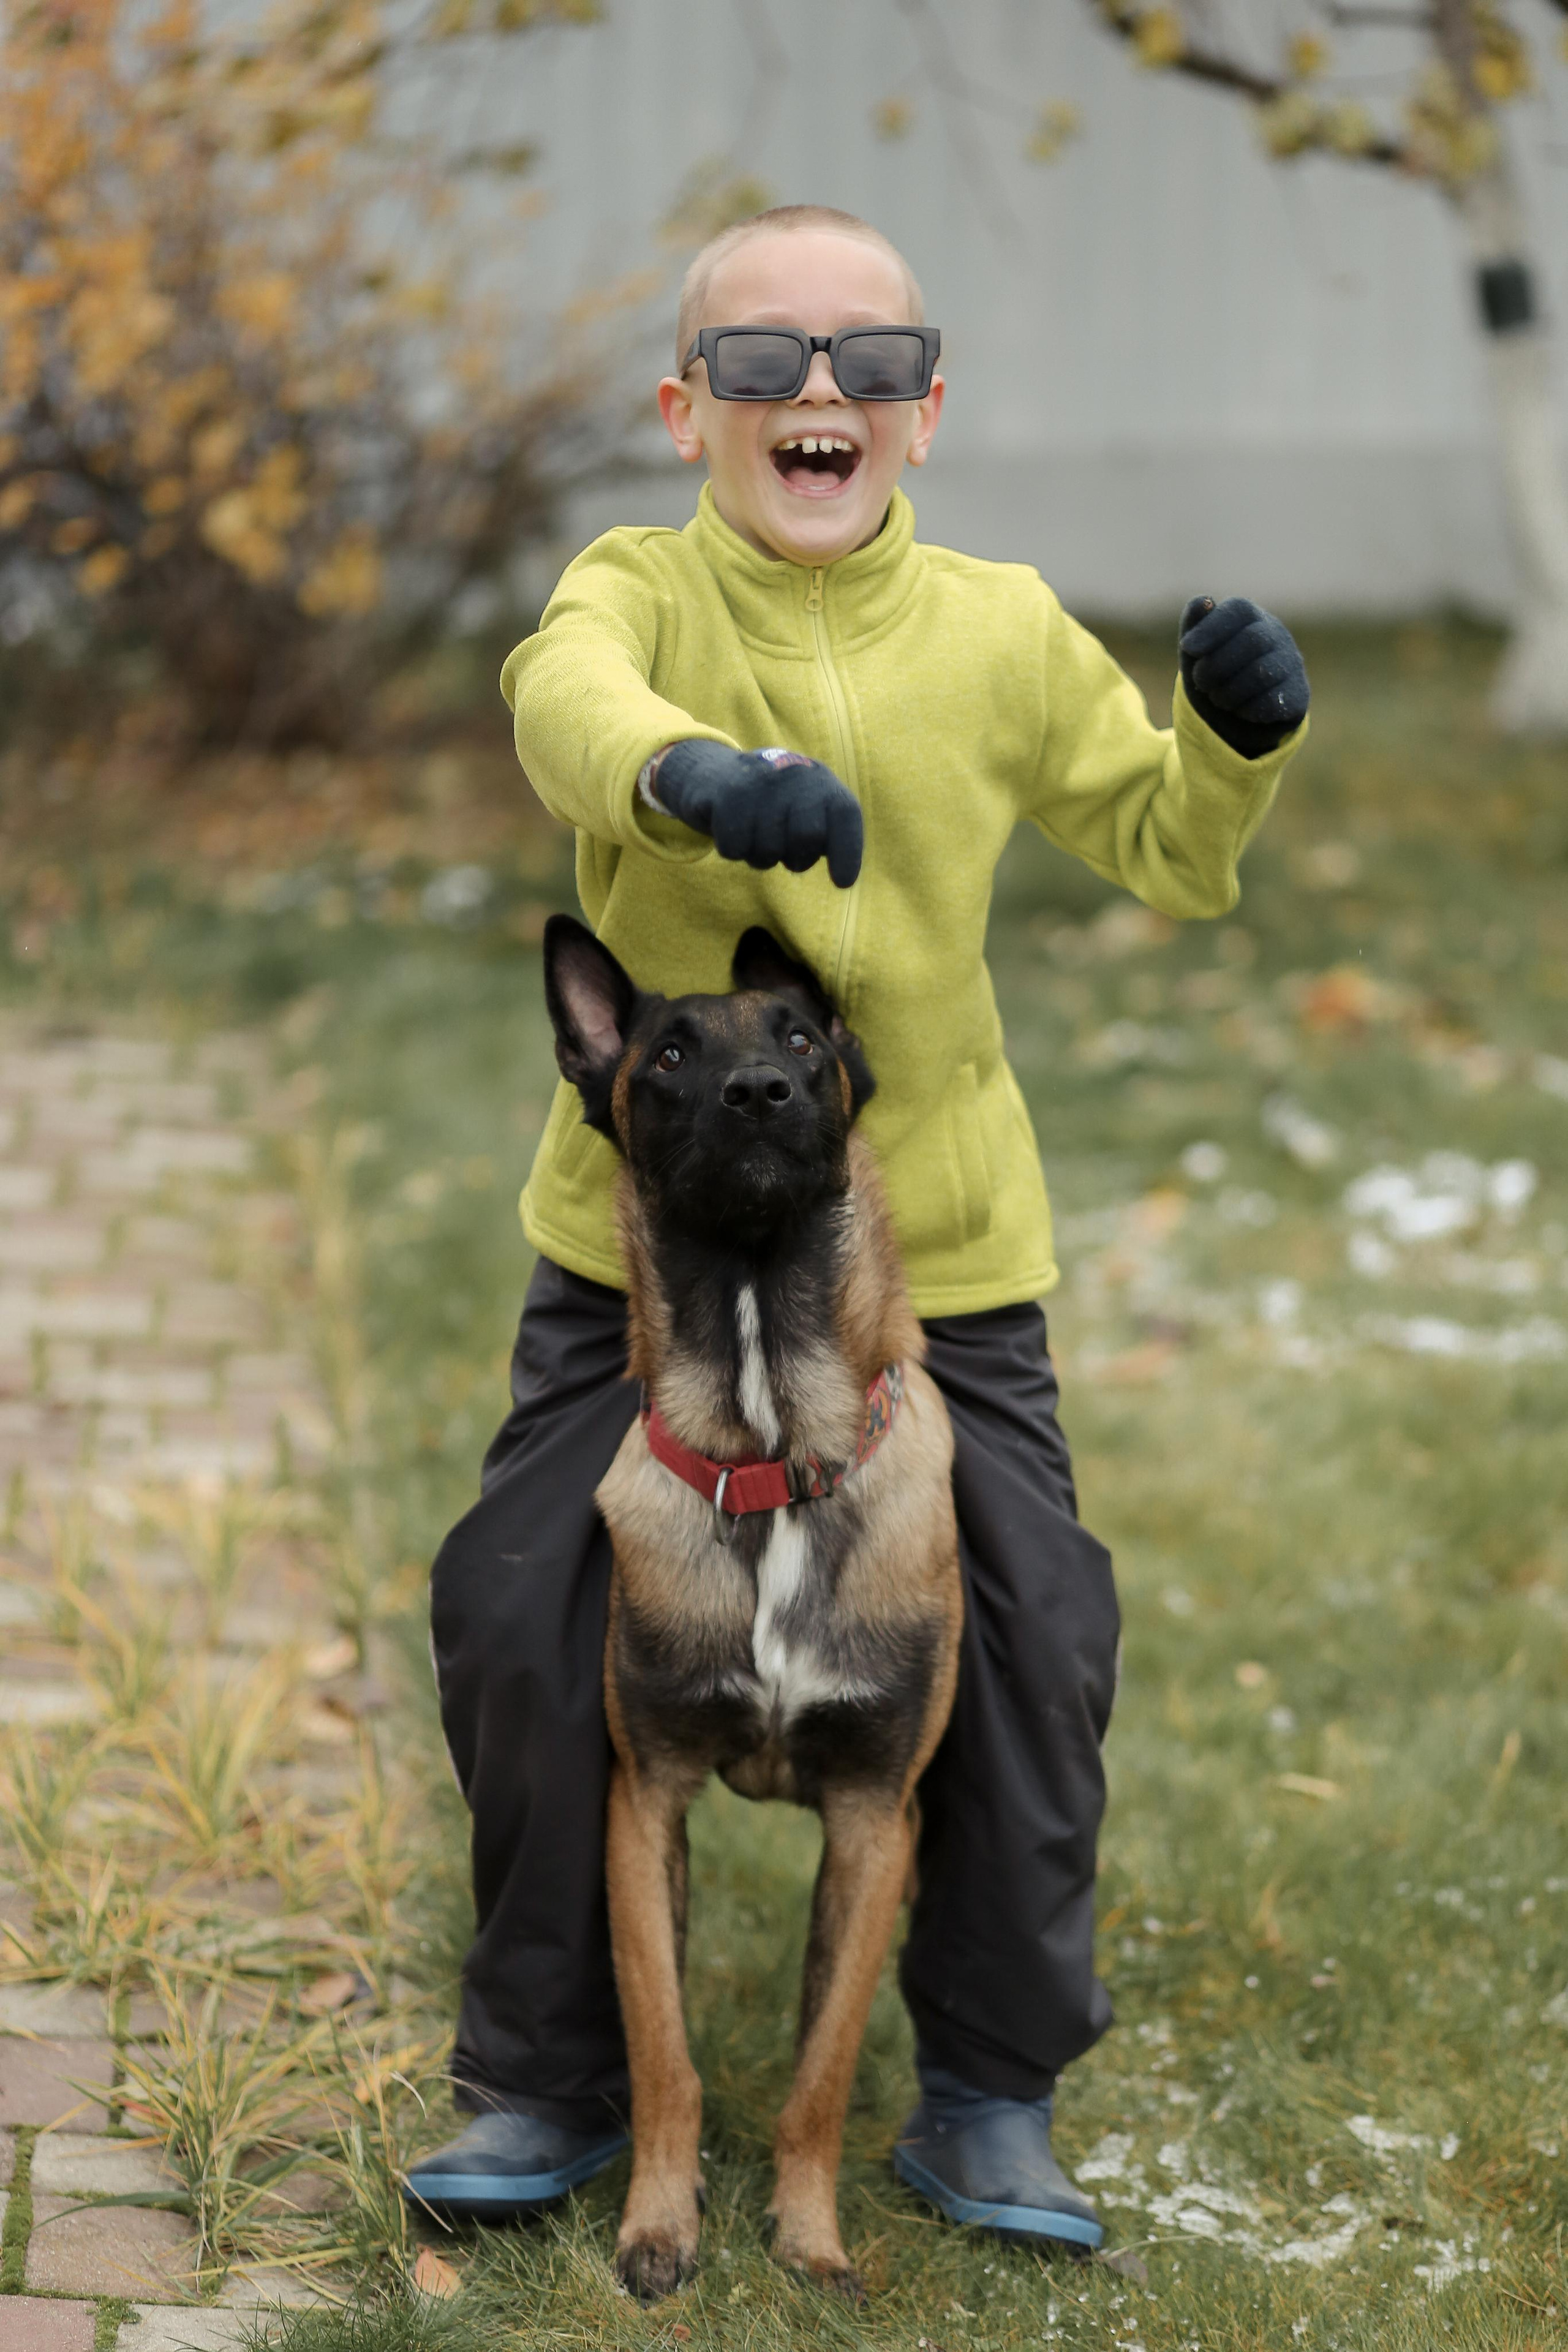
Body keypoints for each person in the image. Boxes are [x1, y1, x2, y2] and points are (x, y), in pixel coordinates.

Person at [410, 205, 1309, 2248]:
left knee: (1042, 1643)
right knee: (518, 1611)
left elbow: (1171, 851)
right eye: (759, 365)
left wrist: (1241, 748)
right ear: (684, 409)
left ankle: (984, 2094)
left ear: (925, 406)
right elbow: (565, 705)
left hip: (938, 1283)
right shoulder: (627, 593)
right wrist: (688, 781)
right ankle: (545, 2080)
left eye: (869, 361)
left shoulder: (995, 629)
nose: (818, 393)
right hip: (636, 1270)